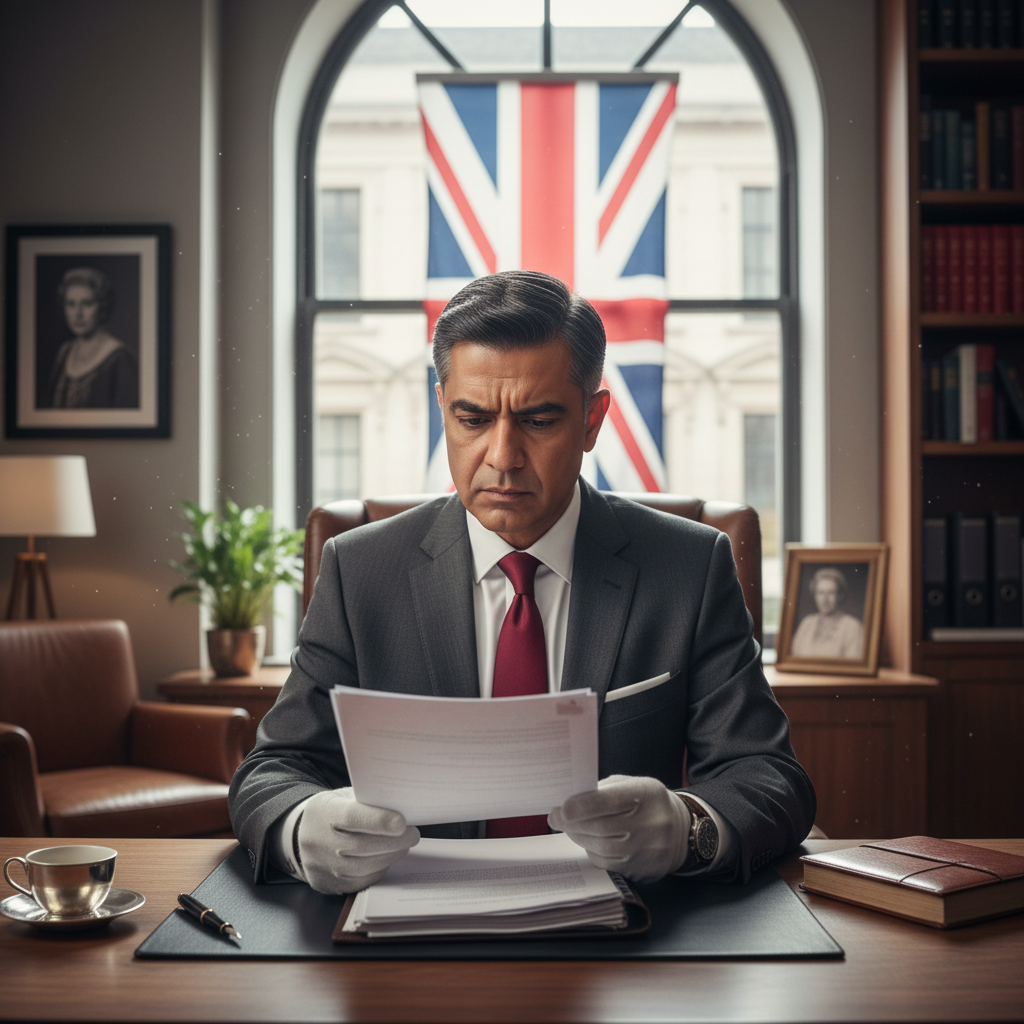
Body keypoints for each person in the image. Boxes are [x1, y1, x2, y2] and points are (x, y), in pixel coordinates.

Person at [229, 270, 815, 894]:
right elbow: (271, 770)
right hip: (410, 936)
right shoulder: (358, 570)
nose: (502, 456)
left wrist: (688, 825)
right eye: (473, 418)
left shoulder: (690, 568)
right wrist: (301, 825)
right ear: (442, 410)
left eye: (538, 421)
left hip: (627, 945)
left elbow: (768, 776)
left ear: (592, 420)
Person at [45, 267, 138, 409]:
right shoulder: (64, 352)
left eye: (87, 303)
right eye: (71, 304)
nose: (78, 313)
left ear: (102, 306)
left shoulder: (119, 357)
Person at [790, 567, 864, 660]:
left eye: (831, 593)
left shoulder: (853, 627)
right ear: (815, 595)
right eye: (820, 593)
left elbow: (853, 665)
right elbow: (794, 658)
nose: (825, 599)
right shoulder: (807, 623)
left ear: (840, 595)